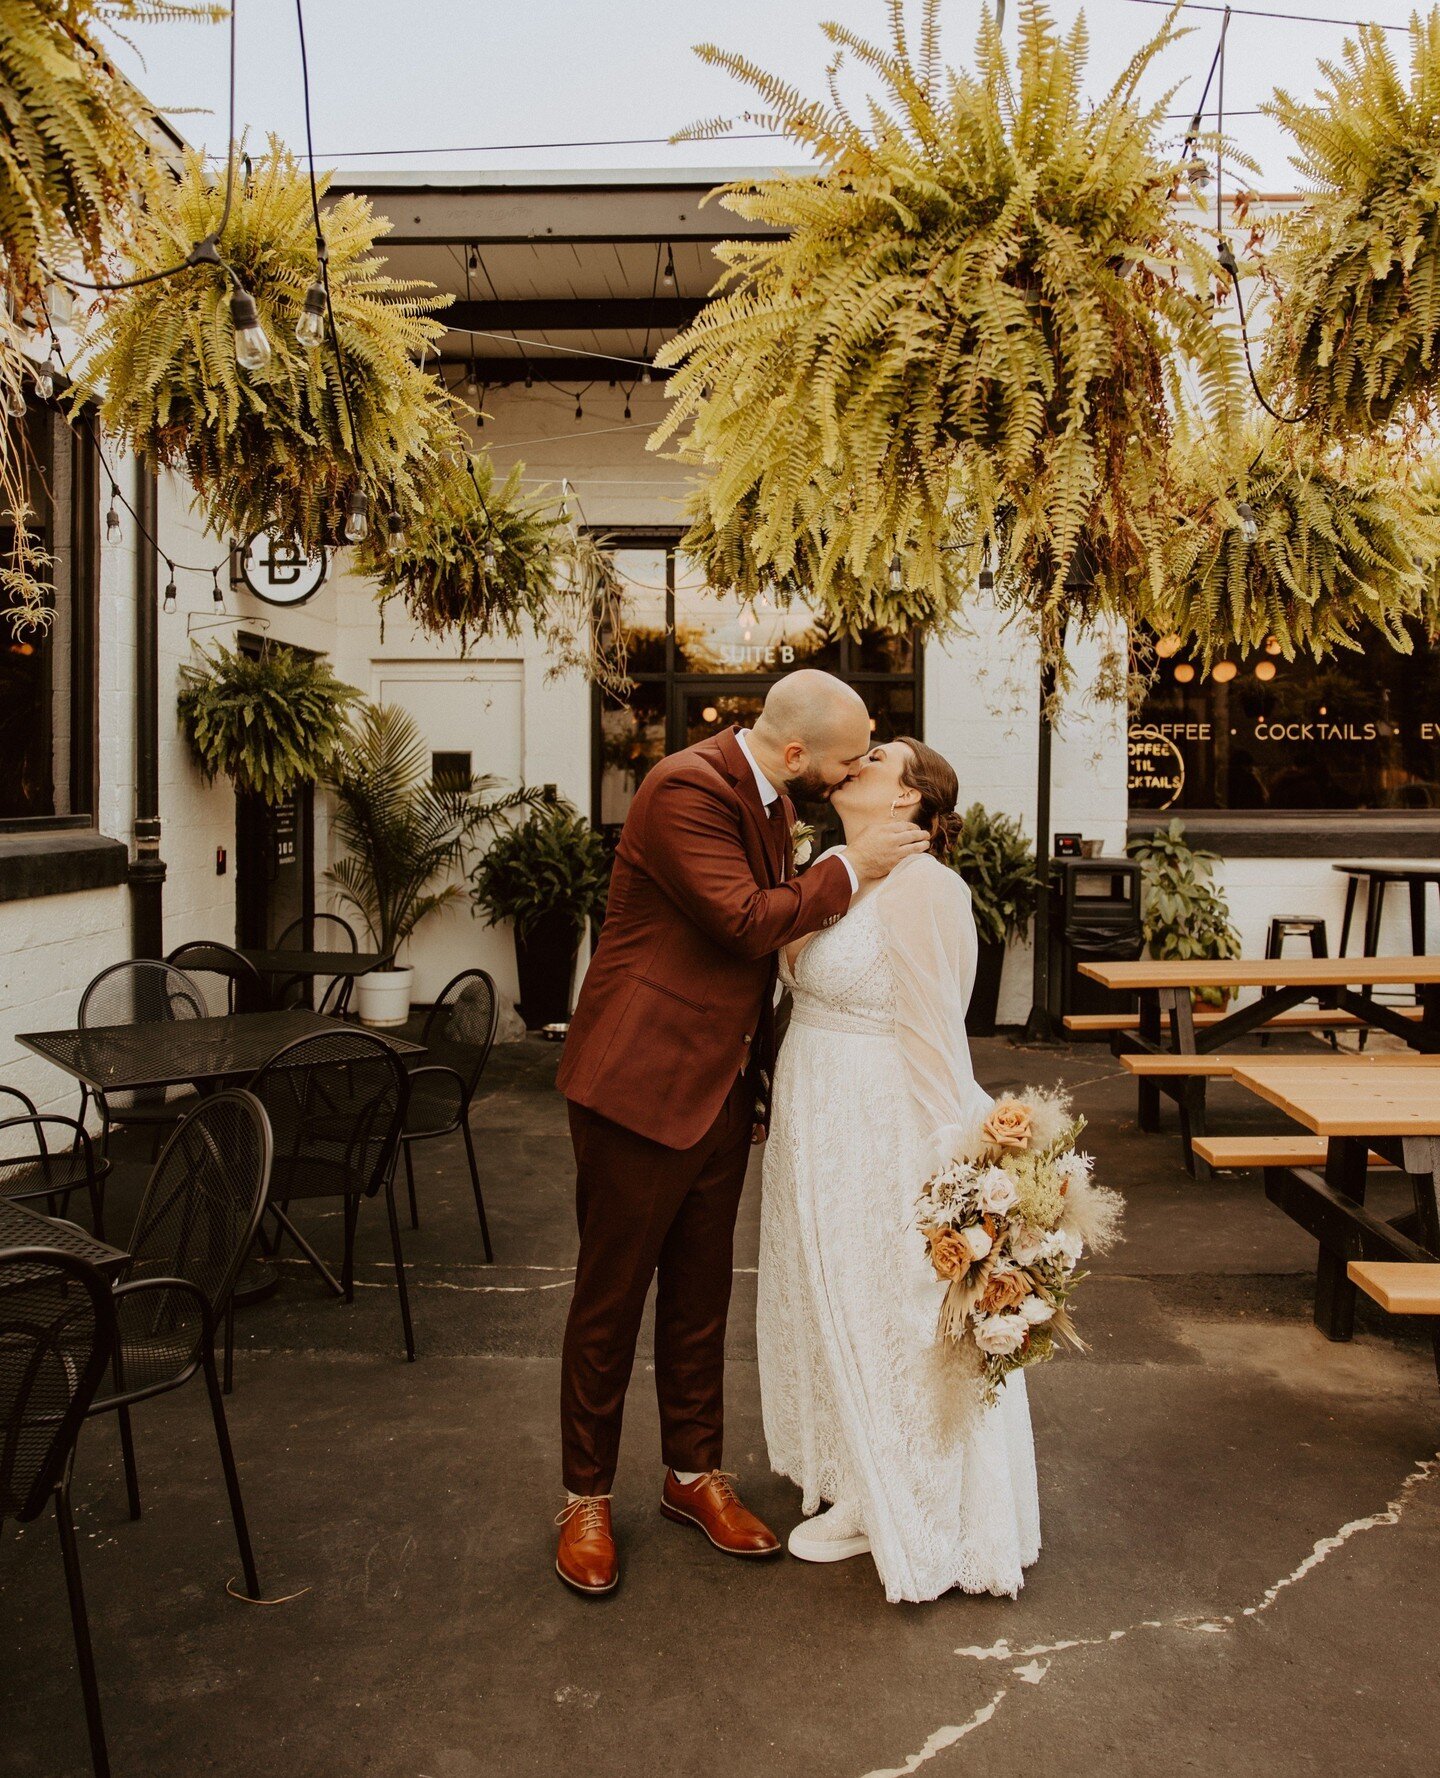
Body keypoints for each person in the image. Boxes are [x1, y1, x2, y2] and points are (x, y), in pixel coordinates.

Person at [552, 670, 929, 1594]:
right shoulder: (683, 787)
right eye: (845, 759)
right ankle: (584, 1498)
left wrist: (757, 1079)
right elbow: (743, 923)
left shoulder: (769, 799)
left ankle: (693, 1475)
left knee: (699, 1296)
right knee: (612, 1300)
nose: (850, 775)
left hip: (719, 1088)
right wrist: (855, 864)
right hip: (639, 1085)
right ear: (795, 754)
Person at [758, 737, 1041, 1603]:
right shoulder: (833, 867)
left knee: (891, 1309)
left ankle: (913, 1502)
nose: (856, 760)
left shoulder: (927, 889)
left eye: (878, 757)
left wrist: (960, 1169)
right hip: (811, 1115)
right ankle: (855, 1468)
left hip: (879, 1125)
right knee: (826, 1295)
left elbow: (933, 1032)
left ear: (911, 800)